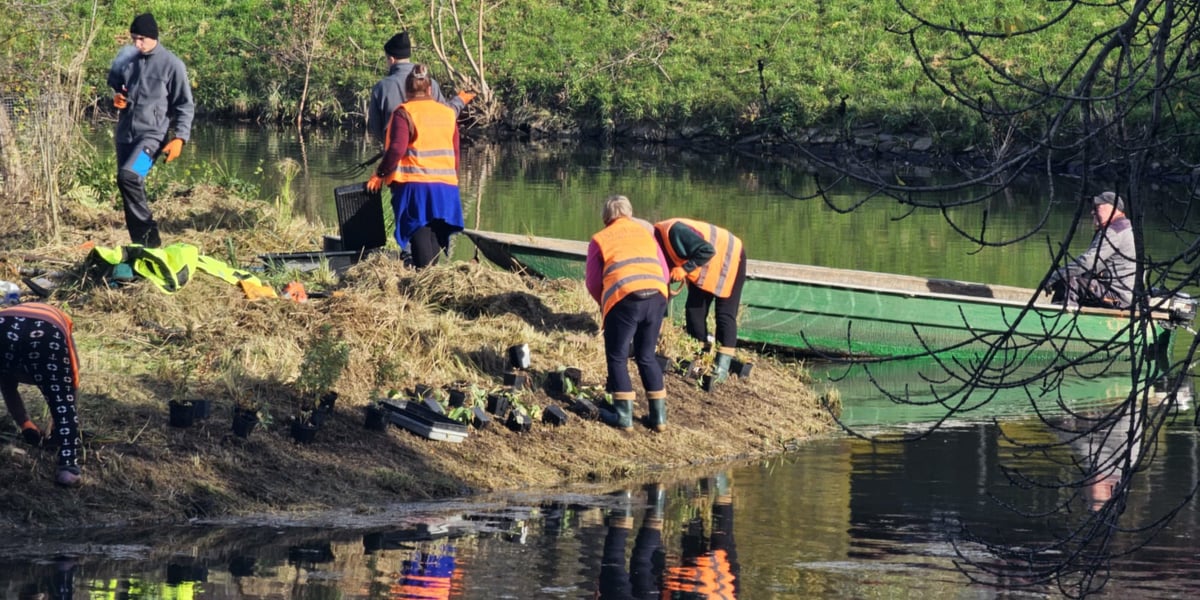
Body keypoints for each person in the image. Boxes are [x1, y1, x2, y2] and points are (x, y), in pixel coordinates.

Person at [106, 12, 194, 249]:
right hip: (125, 136)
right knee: (128, 185)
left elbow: (185, 105)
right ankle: (140, 246)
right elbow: (115, 82)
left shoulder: (172, 65)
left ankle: (151, 242)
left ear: (153, 37)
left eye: (141, 39)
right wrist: (117, 97)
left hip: (153, 138)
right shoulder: (128, 58)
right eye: (134, 38)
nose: (136, 44)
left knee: (130, 176)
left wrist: (180, 138)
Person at [367, 64, 466, 268]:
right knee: (436, 232)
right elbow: (456, 152)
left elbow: (396, 149)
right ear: (430, 89)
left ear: (407, 90)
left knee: (419, 230)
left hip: (415, 186)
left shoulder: (404, 113)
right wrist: (453, 181)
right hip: (446, 186)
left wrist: (379, 173)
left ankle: (423, 280)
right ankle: (430, 279)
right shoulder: (448, 113)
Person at [586, 195, 670, 431]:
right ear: (630, 214)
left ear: (606, 217)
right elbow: (664, 272)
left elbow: (593, 282)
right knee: (646, 356)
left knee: (618, 356)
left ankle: (623, 416)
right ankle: (659, 418)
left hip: (625, 298)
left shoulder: (600, 239)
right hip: (656, 296)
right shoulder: (646, 234)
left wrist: (606, 303)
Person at [653, 218, 746, 384]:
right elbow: (661, 292)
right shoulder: (655, 255)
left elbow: (707, 250)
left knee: (724, 315)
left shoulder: (674, 231)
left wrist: (684, 269)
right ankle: (701, 358)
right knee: (694, 312)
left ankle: (721, 370)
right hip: (704, 267)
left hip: (730, 256)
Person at [0, 302, 83, 487]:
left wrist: (25, 425)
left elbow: (7, 387)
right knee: (61, 395)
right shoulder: (63, 325)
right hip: (47, 332)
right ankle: (68, 467)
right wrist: (59, 427)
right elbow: (72, 378)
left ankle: (27, 425)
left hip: (4, 324)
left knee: (4, 378)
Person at [366, 31, 472, 144]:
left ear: (391, 59)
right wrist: (459, 101)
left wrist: (388, 143)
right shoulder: (430, 83)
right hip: (426, 150)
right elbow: (446, 114)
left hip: (395, 151)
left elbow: (375, 127)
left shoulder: (381, 87)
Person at [1045, 192, 1137, 309]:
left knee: (1069, 280)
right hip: (1119, 293)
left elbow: (1088, 262)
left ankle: (1062, 319)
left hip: (1118, 297)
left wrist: (1055, 276)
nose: (1092, 212)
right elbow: (1093, 268)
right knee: (1070, 276)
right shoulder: (1123, 228)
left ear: (1112, 208)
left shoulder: (1113, 232)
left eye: (1097, 207)